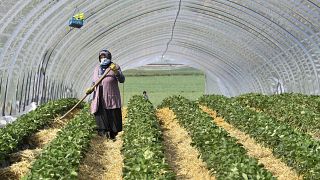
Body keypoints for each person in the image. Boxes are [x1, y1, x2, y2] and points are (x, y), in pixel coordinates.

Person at [86, 49, 125, 140]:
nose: (103, 59)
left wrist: (116, 71)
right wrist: (91, 89)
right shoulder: (97, 68)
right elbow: (94, 81)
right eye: (101, 57)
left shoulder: (115, 66)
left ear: (109, 57)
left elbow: (122, 80)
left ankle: (112, 134)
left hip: (110, 94)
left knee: (112, 114)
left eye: (105, 57)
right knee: (100, 113)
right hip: (98, 94)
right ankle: (103, 133)